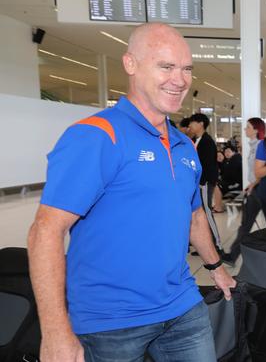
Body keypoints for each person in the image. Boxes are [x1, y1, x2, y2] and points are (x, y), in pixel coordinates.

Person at [26, 23, 235, 362]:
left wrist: (215, 267)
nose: (179, 79)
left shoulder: (184, 146)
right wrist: (54, 332)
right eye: (165, 66)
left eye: (186, 69)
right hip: (109, 322)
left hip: (182, 306)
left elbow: (194, 215)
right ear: (131, 64)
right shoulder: (96, 136)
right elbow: (45, 231)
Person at [221, 117, 266, 264]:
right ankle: (233, 255)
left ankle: (233, 256)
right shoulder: (254, 146)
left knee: (246, 225)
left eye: (247, 127)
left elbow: (262, 170)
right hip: (255, 187)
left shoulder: (260, 145)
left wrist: (254, 184)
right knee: (246, 224)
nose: (245, 129)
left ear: (255, 130)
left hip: (260, 189)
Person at [189, 113, 219, 211]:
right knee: (199, 210)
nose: (190, 125)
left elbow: (208, 165)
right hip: (196, 182)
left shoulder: (207, 142)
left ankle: (211, 227)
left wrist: (202, 182)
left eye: (192, 122)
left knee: (206, 210)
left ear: (201, 124)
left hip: (204, 182)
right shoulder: (193, 140)